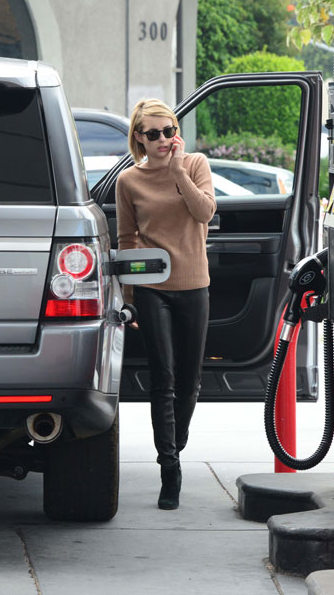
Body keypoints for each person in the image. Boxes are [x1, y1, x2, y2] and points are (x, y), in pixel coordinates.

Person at [115, 98, 216, 510]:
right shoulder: (128, 182)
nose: (163, 140)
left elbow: (204, 212)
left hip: (194, 284)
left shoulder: (194, 165)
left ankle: (177, 441)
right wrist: (129, 298)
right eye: (153, 133)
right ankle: (168, 467)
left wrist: (178, 173)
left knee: (190, 381)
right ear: (138, 137)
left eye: (169, 131)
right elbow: (127, 240)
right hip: (153, 287)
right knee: (164, 378)